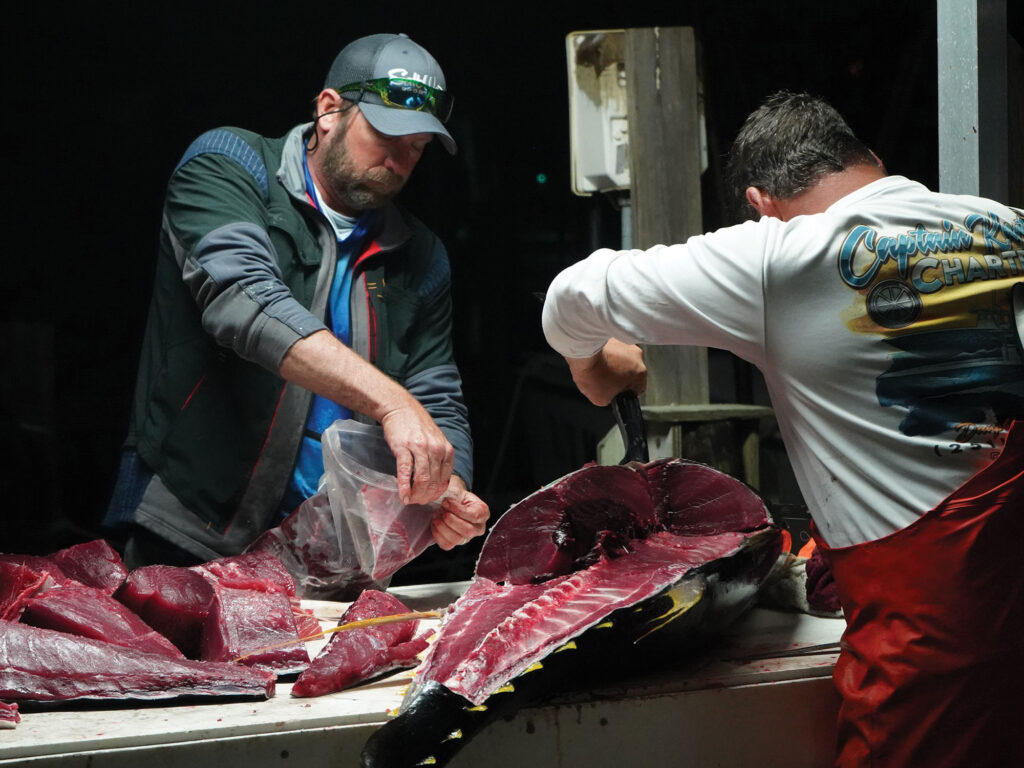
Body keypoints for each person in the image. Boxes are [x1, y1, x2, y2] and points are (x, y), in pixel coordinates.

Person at [542, 91, 1024, 767]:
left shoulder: (777, 256)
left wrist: (595, 367)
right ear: (872, 163)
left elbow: (571, 295)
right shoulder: (1005, 226)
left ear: (760, 202)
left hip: (930, 675)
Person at [105, 33, 488, 569]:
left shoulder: (421, 253)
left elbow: (435, 390)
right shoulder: (230, 166)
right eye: (387, 135)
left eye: (417, 148)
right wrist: (393, 403)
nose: (400, 159)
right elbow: (245, 301)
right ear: (329, 110)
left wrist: (449, 484)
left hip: (335, 551)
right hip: (194, 530)